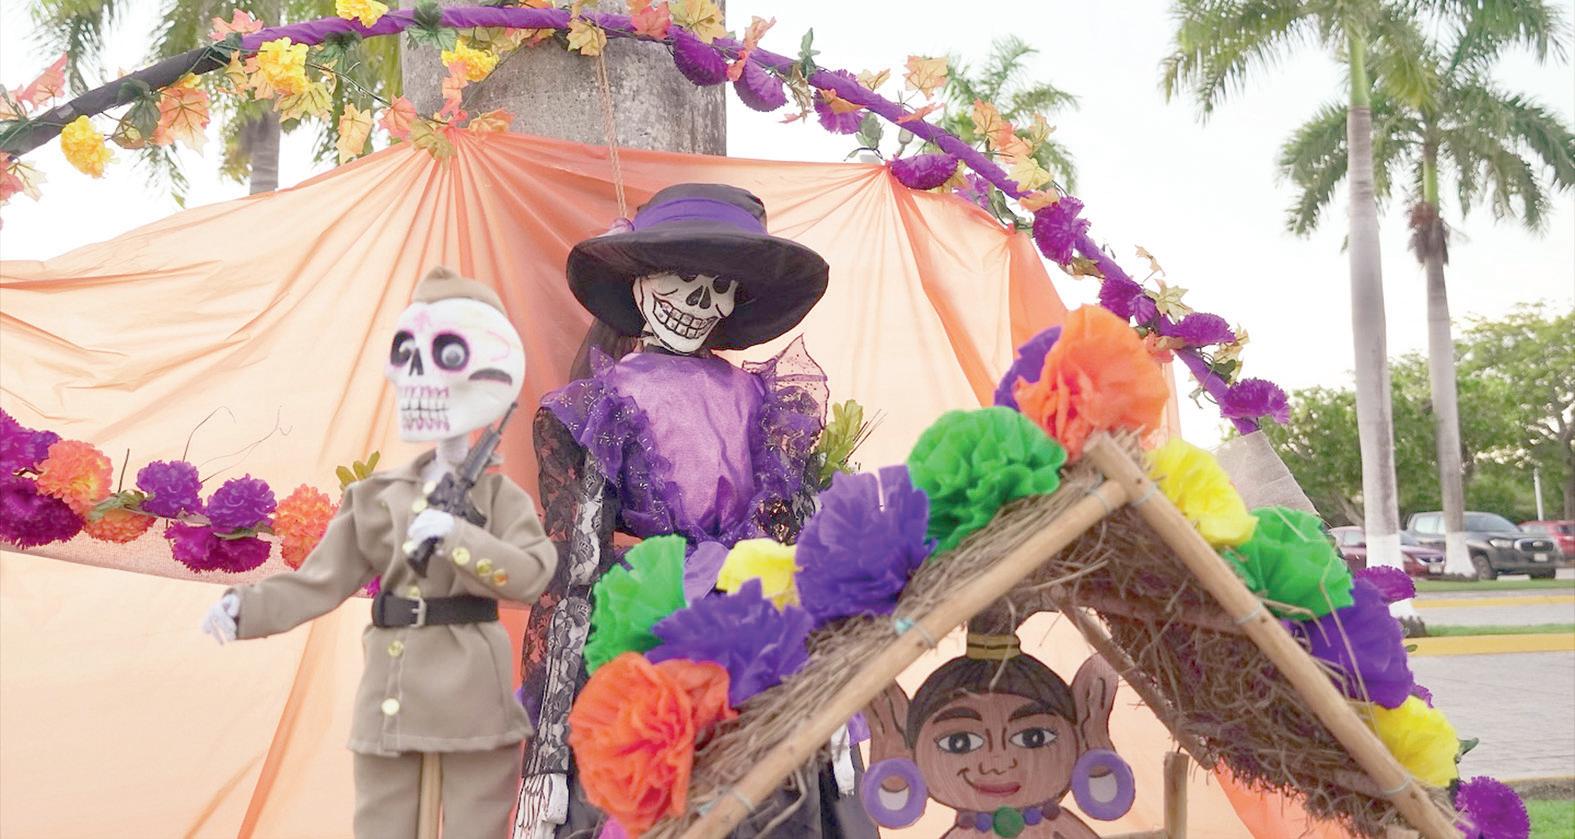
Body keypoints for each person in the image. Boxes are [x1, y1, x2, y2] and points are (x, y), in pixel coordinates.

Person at [517, 183, 873, 837]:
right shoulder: (593, 407)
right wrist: (547, 754)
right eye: (680, 279)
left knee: (771, 804)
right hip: (646, 645)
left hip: (759, 643)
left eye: (718, 287)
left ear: (736, 301)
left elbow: (802, 545)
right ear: (640, 283)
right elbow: (574, 573)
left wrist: (836, 688)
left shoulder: (767, 404)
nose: (696, 303)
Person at [201, 266, 558, 839]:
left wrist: (459, 537)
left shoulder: (499, 499)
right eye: (404, 354)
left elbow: (534, 576)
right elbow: (320, 581)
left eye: (438, 355)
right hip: (393, 690)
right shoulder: (374, 497)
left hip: (473, 698)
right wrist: (246, 609)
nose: (410, 375)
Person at [865, 633, 1121, 839]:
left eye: (1033, 738)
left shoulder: (1059, 829)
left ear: (1082, 737)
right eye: (960, 743)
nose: (997, 764)